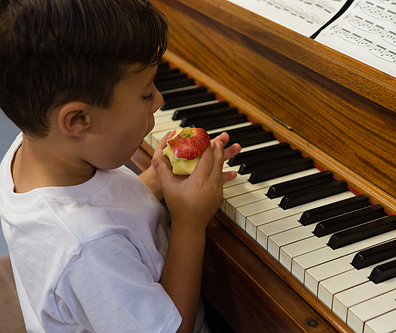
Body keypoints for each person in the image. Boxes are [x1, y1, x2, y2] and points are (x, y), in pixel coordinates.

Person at [0, 0, 241, 332]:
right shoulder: (87, 249)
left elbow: (107, 201)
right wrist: (189, 223)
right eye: (145, 95)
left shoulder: (32, 150)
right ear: (79, 120)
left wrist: (160, 177)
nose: (159, 100)